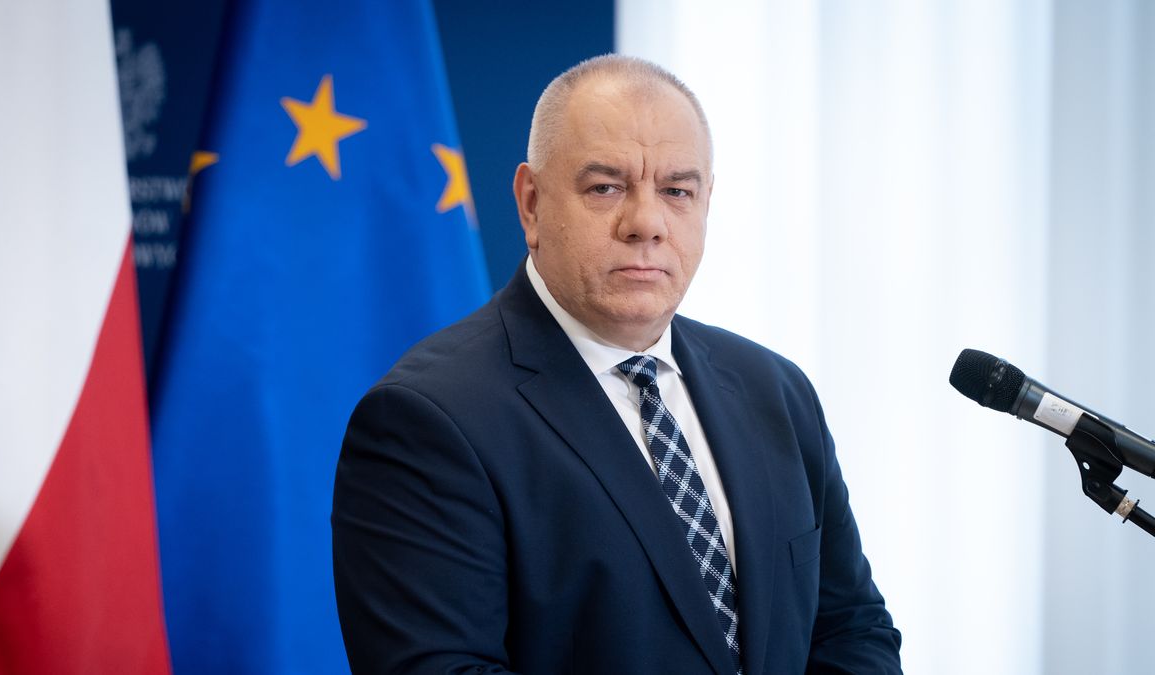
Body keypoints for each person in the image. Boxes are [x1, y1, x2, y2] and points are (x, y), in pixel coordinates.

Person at [332, 54, 901, 674]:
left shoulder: (777, 391)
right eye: (605, 187)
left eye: (677, 191)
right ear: (531, 203)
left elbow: (851, 628)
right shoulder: (428, 419)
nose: (647, 224)